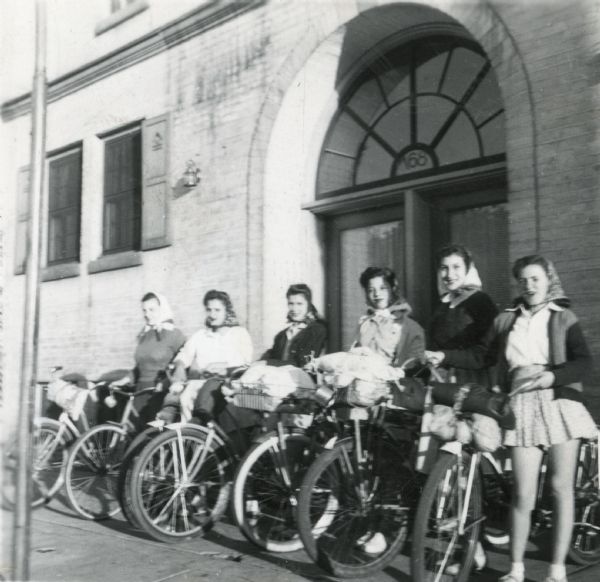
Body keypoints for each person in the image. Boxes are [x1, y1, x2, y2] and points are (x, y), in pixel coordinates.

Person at [432, 255, 596, 582]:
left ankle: (557, 571)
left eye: (535, 278)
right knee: (523, 493)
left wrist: (553, 376)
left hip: (560, 403)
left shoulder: (563, 316)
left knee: (560, 487)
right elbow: (482, 355)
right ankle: (516, 569)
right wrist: (444, 356)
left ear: (549, 280)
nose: (529, 285)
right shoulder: (507, 320)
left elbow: (584, 362)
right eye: (523, 280)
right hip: (521, 406)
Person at [159, 290, 253, 422]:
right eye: (209, 310)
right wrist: (180, 366)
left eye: (217, 310)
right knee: (184, 397)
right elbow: (184, 355)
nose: (212, 315)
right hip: (200, 385)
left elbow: (246, 362)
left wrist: (224, 367)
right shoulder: (200, 335)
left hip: (227, 387)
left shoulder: (239, 333)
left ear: (227, 311)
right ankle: (191, 434)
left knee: (191, 397)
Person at [111, 292, 186, 432]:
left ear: (162, 309)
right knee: (135, 436)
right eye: (144, 310)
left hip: (159, 393)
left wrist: (168, 383)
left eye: (152, 310)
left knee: (156, 439)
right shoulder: (144, 335)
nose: (147, 314)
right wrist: (126, 379)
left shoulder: (175, 335)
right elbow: (139, 366)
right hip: (140, 392)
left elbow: (183, 364)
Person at [425, 244, 498, 385]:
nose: (449, 274)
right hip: (442, 382)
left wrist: (445, 356)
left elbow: (486, 354)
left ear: (468, 269)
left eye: (456, 267)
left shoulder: (480, 301)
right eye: (444, 268)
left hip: (471, 384)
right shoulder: (443, 304)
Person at [355, 266, 425, 367]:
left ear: (393, 288)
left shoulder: (410, 326)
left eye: (382, 288)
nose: (377, 294)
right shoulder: (364, 322)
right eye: (371, 290)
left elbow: (415, 365)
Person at [261, 283, 327, 367]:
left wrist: (267, 363)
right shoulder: (281, 335)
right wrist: (260, 362)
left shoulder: (316, 330)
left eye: (299, 304)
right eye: (291, 304)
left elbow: (303, 363)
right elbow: (271, 354)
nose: (294, 309)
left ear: (308, 305)